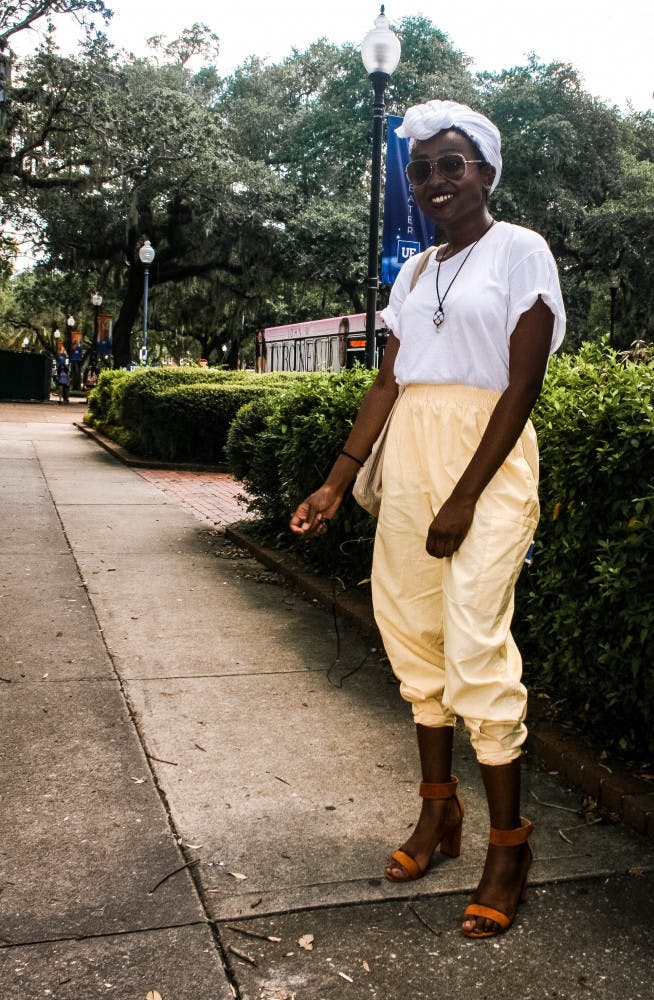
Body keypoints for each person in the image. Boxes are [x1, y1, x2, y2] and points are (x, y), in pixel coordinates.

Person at [290, 99, 565, 938]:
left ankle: (508, 846)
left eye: (453, 164)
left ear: (486, 170)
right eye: (423, 170)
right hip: (408, 458)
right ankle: (437, 815)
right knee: (413, 631)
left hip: (485, 460)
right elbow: (387, 384)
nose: (436, 180)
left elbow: (522, 384)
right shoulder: (411, 276)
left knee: (476, 635)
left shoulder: (522, 251)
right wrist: (338, 481)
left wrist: (465, 494)